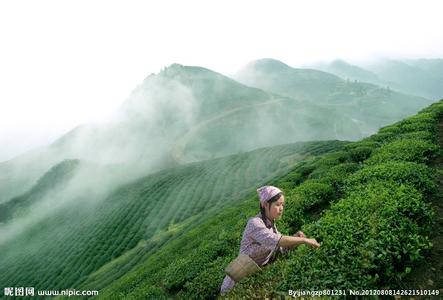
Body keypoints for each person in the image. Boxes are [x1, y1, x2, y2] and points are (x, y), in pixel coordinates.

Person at [220, 185, 321, 295]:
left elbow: (279, 249)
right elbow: (276, 240)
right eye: (277, 204)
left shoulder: (271, 225)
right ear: (265, 205)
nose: (281, 208)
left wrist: (297, 238)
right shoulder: (255, 223)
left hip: (252, 280)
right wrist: (304, 241)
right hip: (235, 285)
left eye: (282, 205)